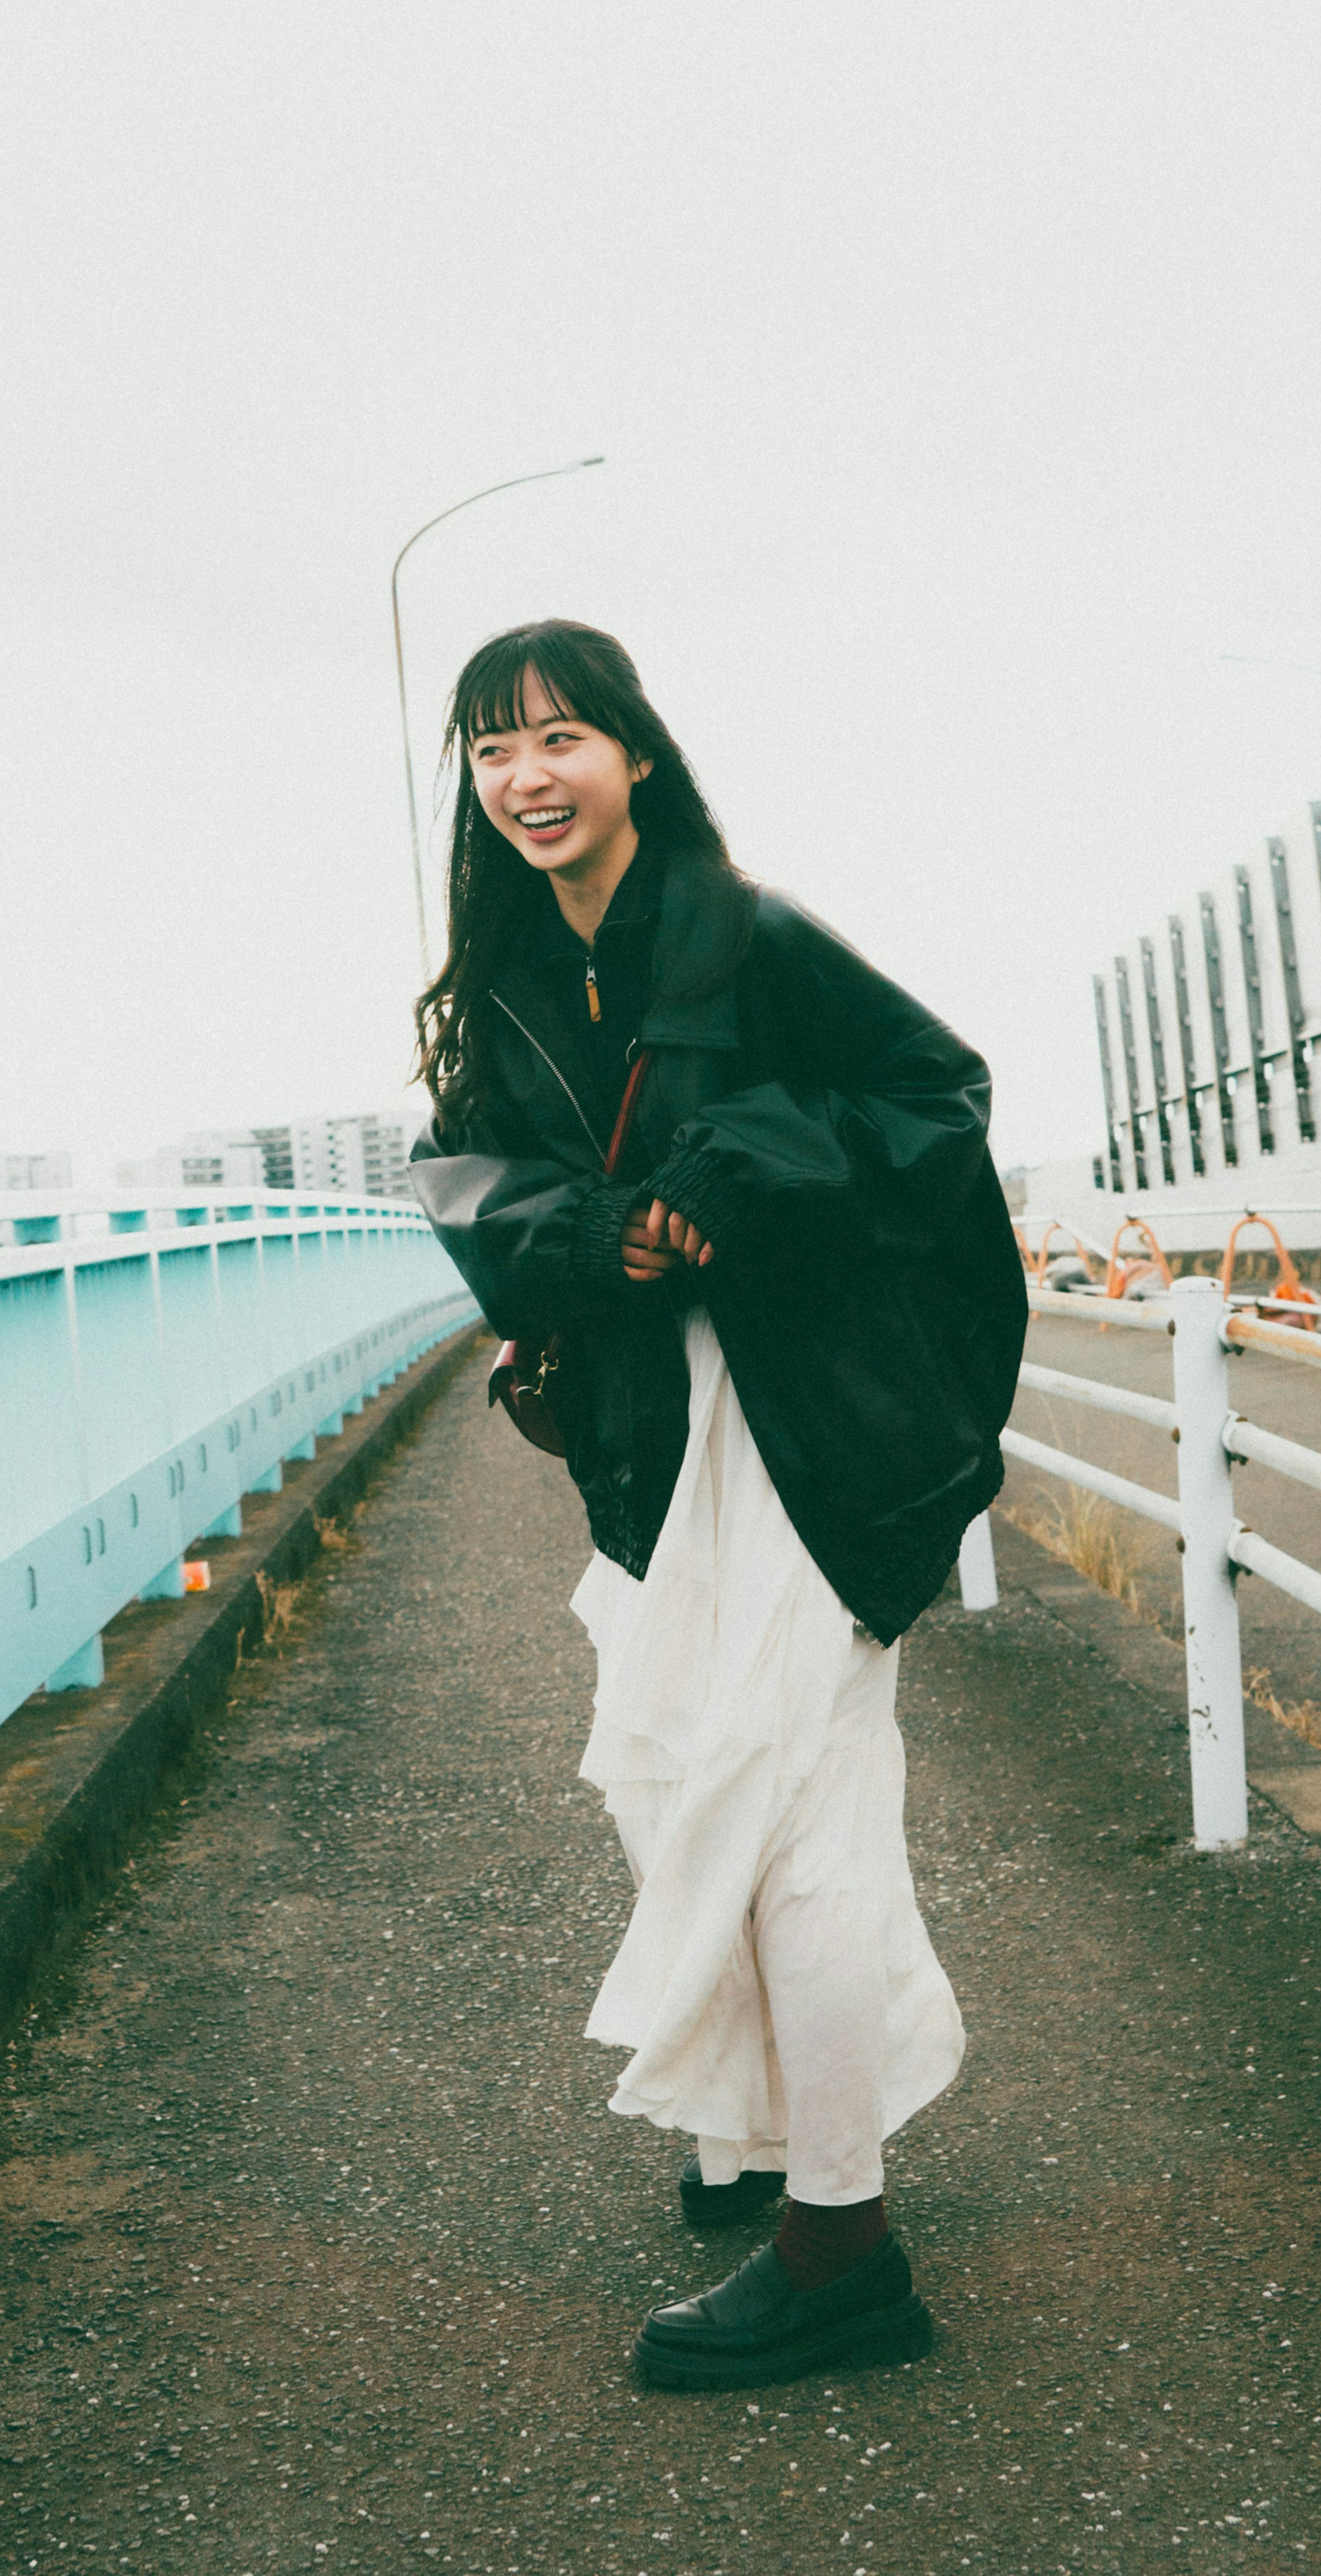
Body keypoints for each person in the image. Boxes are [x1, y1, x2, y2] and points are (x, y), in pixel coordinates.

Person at [408, 619, 1028, 2392]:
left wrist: (734, 1175)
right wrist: (598, 1234)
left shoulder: (747, 933)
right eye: (490, 750)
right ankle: (762, 2129)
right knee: (675, 1769)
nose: (527, 778)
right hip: (654, 1443)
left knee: (794, 1801)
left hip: (815, 1428)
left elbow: (937, 1096)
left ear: (638, 756)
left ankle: (842, 2243)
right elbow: (464, 1175)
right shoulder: (510, 968)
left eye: (561, 739)